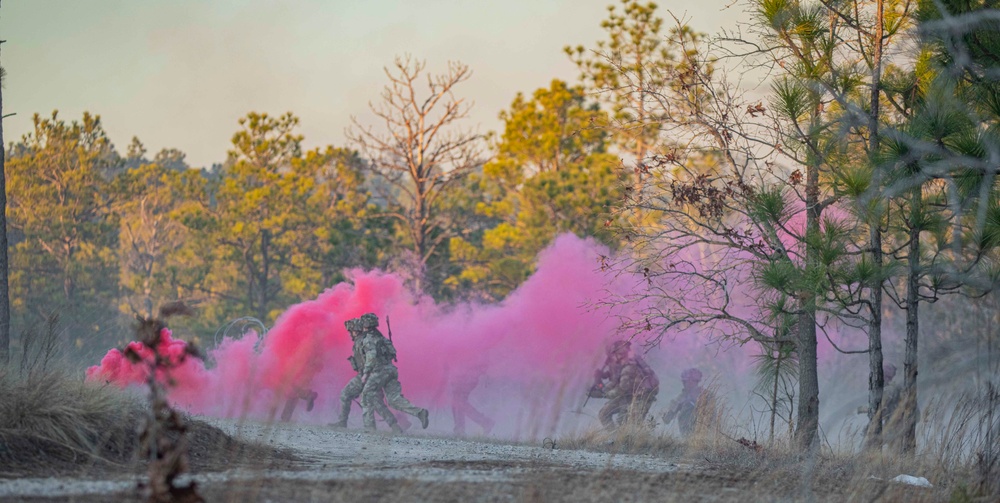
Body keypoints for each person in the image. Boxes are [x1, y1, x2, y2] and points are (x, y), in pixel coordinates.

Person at [358, 313, 429, 431]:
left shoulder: (369, 339)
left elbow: (371, 356)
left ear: (365, 324)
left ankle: (369, 429)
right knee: (393, 400)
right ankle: (419, 412)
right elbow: (392, 352)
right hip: (391, 370)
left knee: (366, 397)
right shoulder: (381, 338)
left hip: (378, 371)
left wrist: (366, 373)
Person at [331, 318, 402, 433]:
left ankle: (345, 422)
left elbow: (371, 358)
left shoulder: (363, 341)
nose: (350, 333)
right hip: (374, 374)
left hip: (368, 374)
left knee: (346, 394)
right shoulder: (369, 339)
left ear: (357, 330)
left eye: (352, 331)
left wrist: (366, 373)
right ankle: (395, 427)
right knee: (376, 402)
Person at [590, 340, 659, 432]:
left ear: (620, 354)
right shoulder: (622, 367)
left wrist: (603, 394)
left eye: (614, 354)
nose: (612, 357)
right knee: (605, 414)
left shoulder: (628, 368)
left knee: (627, 424)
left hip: (639, 399)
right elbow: (615, 382)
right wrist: (601, 386)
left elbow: (622, 389)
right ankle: (615, 438)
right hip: (628, 398)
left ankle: (631, 442)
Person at [662, 367, 713, 437]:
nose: (690, 383)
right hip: (688, 434)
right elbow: (667, 419)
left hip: (705, 432)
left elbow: (712, 416)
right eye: (687, 381)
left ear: (696, 382)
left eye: (692, 381)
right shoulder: (681, 397)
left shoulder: (706, 395)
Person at [450, 362, 495, 436]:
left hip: (468, 376)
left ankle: (460, 429)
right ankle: (460, 429)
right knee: (456, 401)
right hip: (462, 375)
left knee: (459, 401)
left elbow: (482, 363)